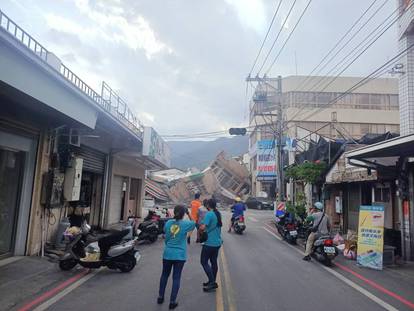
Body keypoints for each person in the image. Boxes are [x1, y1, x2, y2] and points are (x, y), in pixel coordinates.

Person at [158, 205, 195, 309]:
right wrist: (189, 213)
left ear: (174, 212)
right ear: (183, 214)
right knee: (176, 277)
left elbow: (166, 236)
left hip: (168, 253)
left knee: (164, 275)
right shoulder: (185, 224)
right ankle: (172, 302)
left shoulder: (168, 223)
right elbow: (194, 223)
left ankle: (160, 297)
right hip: (180, 255)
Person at [199, 198, 223, 292]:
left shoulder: (209, 214)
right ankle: (211, 280)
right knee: (213, 262)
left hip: (209, 243)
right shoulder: (218, 213)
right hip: (217, 242)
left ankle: (212, 282)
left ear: (208, 205)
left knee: (204, 261)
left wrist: (201, 227)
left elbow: (203, 227)